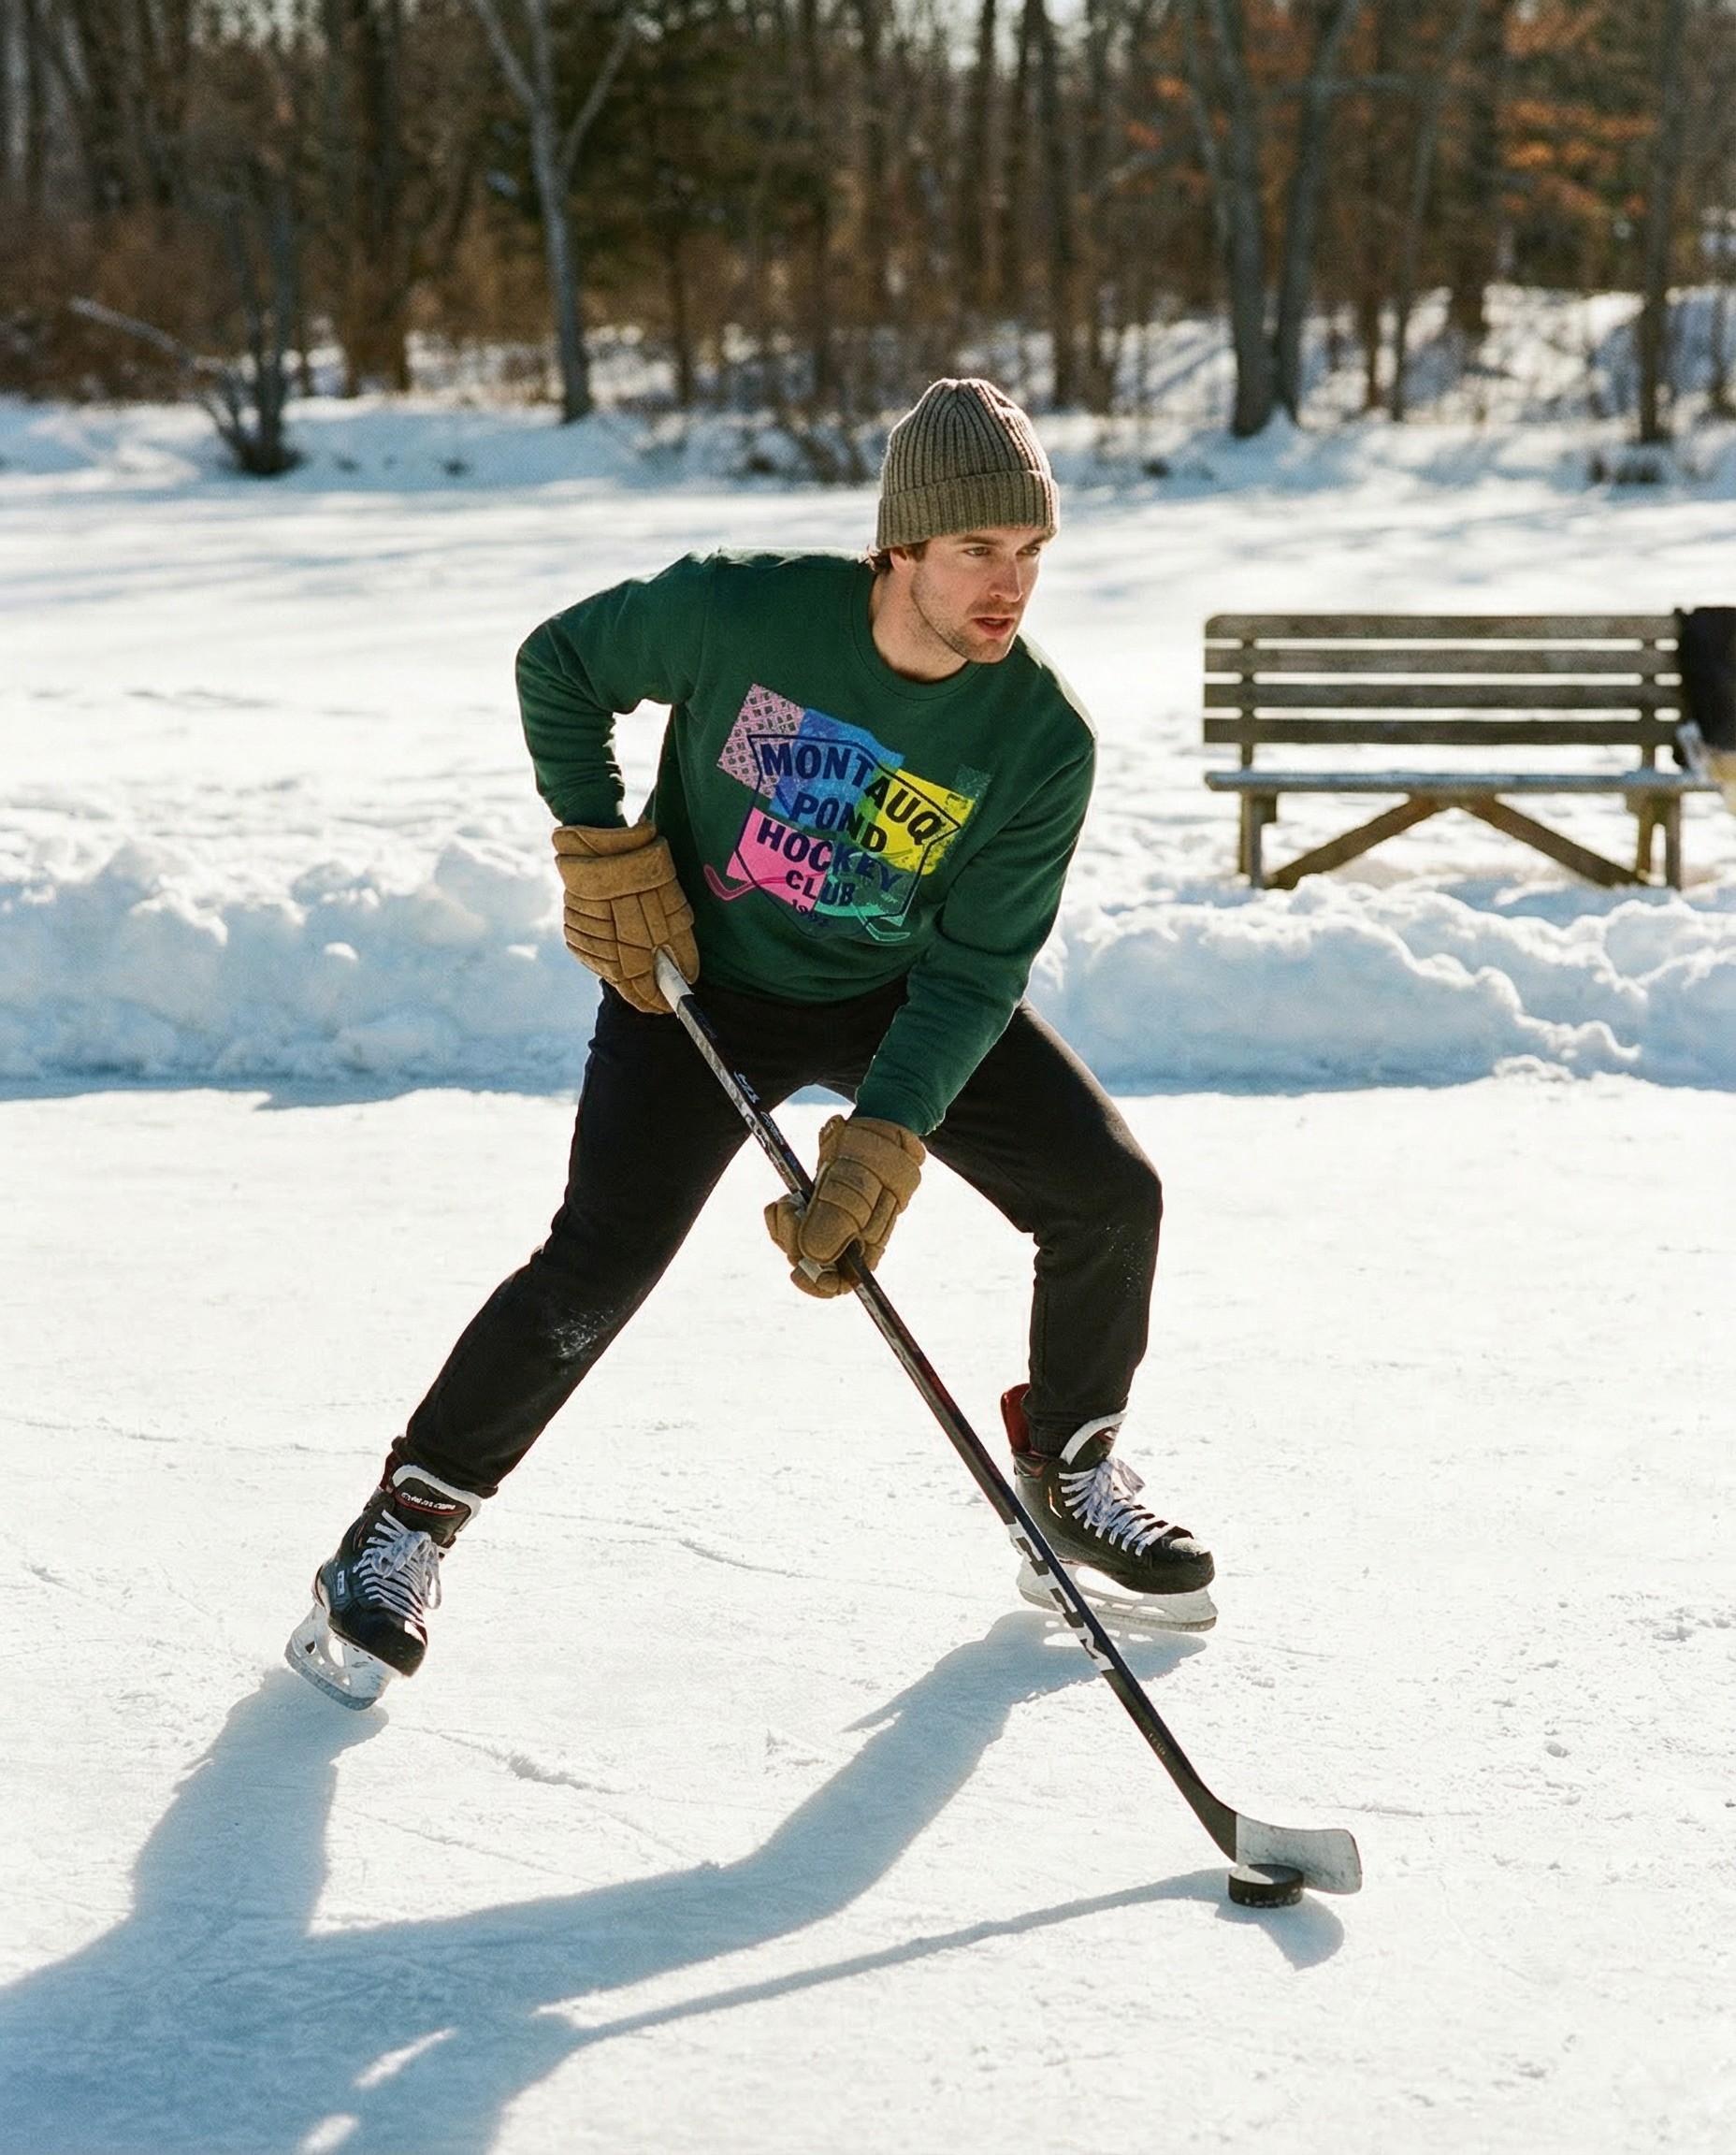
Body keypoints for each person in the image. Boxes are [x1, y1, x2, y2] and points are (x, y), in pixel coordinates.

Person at [287, 378, 1215, 1711]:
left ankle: (1069, 1471)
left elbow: (972, 971)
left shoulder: (1038, 739)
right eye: (976, 551)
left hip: (896, 991)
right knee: (598, 1260)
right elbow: (560, 662)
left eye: (1029, 554)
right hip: (698, 985)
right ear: (899, 547)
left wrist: (885, 1140)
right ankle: (402, 1528)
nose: (1008, 586)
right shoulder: (741, 611)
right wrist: (599, 842)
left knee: (1110, 1197)